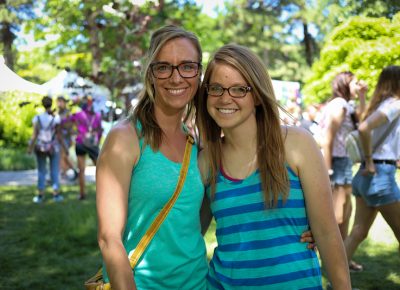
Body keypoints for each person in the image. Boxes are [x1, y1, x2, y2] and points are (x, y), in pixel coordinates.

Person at [95, 26, 314, 289]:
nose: (176, 78)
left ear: (198, 74)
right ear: (150, 74)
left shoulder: (196, 143)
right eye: (164, 67)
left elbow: (197, 221)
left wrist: (303, 227)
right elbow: (109, 239)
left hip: (199, 283)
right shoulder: (125, 138)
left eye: (187, 66)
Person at [196, 44, 351, 289]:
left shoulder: (298, 144)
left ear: (257, 95)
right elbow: (190, 235)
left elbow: (328, 234)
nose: (225, 98)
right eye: (215, 88)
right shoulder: (206, 161)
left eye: (239, 89)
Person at [344, 65, 400, 269]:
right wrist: (368, 159)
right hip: (378, 175)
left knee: (359, 231)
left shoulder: (382, 104)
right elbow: (365, 128)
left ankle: (336, 279)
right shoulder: (395, 104)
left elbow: (365, 124)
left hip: (366, 177)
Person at [318, 71, 367, 272]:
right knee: (338, 217)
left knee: (346, 214)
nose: (359, 85)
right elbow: (327, 138)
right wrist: (327, 171)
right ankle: (332, 263)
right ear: (345, 84)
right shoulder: (339, 105)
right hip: (336, 164)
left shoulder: (344, 104)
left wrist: (362, 95)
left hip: (342, 162)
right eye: (355, 83)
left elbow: (362, 119)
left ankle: (343, 259)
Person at [64, 95, 102, 200]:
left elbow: (65, 122)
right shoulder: (97, 115)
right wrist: (97, 140)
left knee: (81, 170)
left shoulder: (78, 114)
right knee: (100, 169)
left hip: (80, 142)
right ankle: (102, 193)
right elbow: (100, 130)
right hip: (92, 145)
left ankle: (82, 194)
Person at [28, 96, 64, 203]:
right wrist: (65, 148)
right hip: (54, 147)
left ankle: (40, 194)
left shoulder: (37, 118)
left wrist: (30, 148)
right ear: (51, 104)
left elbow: (34, 135)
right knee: (54, 170)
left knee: (41, 171)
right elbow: (59, 135)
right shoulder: (56, 118)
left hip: (40, 147)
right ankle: (56, 194)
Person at [56, 95, 78, 181]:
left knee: (64, 154)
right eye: (58, 101)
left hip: (66, 137)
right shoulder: (57, 113)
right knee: (62, 155)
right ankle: (66, 172)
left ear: (64, 102)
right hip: (59, 137)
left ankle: (73, 171)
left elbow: (73, 125)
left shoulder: (68, 113)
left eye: (60, 101)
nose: (59, 103)